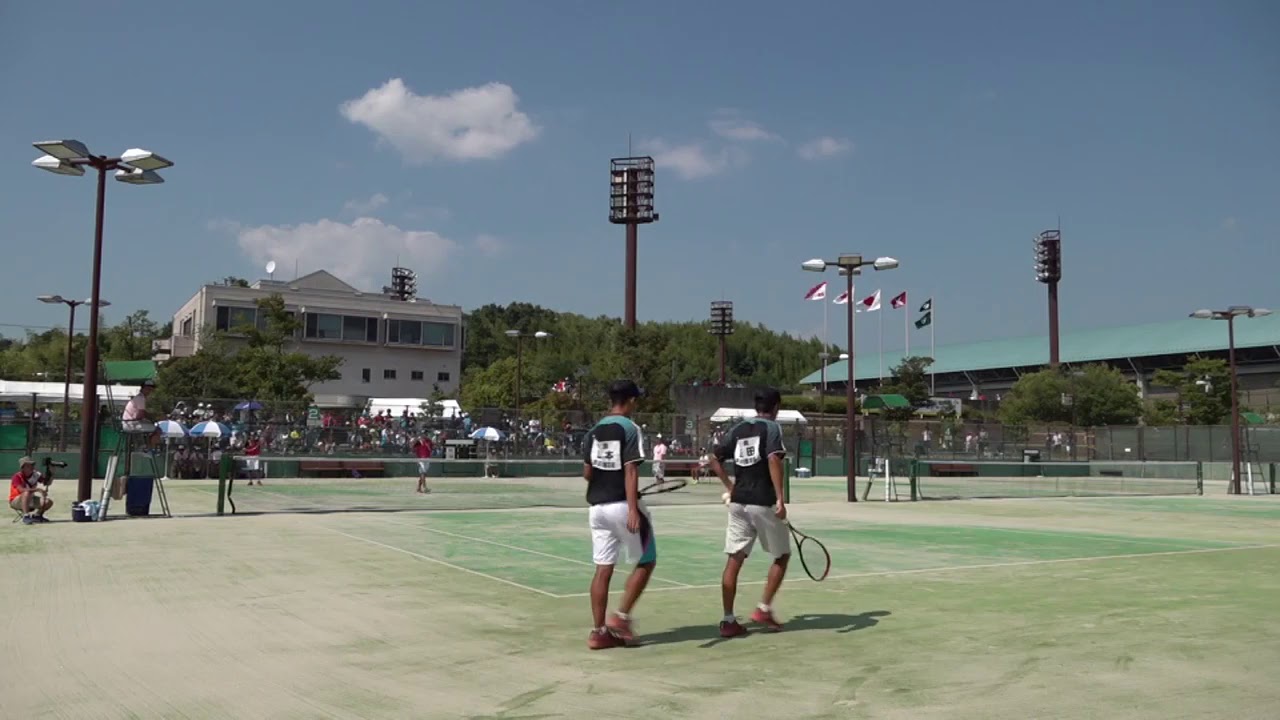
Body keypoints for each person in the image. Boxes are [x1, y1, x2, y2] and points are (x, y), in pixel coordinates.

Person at [708, 387, 790, 638]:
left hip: (738, 503)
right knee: (782, 555)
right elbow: (774, 460)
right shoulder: (773, 428)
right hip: (762, 502)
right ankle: (763, 608)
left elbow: (714, 458)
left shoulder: (737, 429)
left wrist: (730, 488)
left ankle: (728, 619)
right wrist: (780, 498)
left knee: (734, 560)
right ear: (775, 407)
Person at [582, 380, 655, 650]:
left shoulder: (593, 430)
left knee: (602, 570)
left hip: (597, 509)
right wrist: (633, 508)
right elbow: (631, 470)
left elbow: (587, 473)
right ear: (631, 401)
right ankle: (621, 617)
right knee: (647, 561)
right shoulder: (630, 428)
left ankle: (598, 632)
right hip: (622, 506)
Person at [10, 457, 52, 524]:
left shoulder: (36, 474)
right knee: (26, 492)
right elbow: (21, 490)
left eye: (32, 464)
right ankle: (26, 516)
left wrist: (51, 474)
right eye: (28, 465)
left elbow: (47, 483)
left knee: (48, 502)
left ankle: (37, 516)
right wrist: (37, 489)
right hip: (16, 501)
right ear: (22, 468)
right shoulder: (17, 476)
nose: (31, 467)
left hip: (30, 499)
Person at [121, 379, 161, 450]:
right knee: (158, 430)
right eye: (148, 389)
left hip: (129, 423)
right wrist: (152, 418)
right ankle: (148, 449)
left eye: (151, 389)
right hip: (130, 424)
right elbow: (140, 415)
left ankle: (143, 446)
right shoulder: (140, 398)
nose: (150, 391)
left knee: (151, 426)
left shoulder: (139, 397)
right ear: (142, 389)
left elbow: (140, 415)